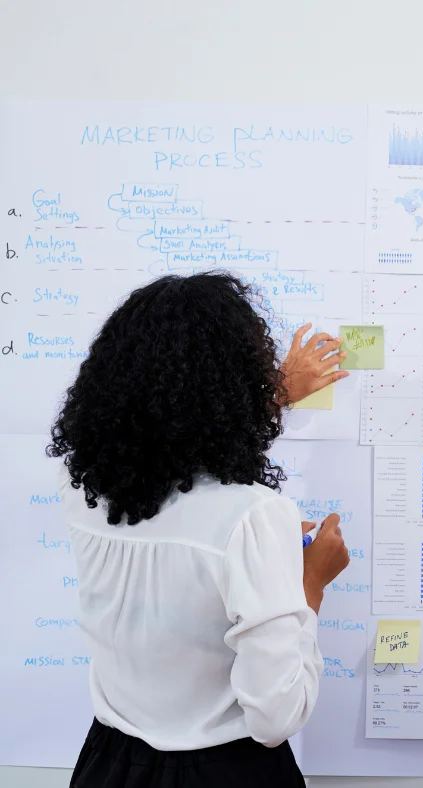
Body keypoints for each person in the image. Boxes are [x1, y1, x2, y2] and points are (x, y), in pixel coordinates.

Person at [49, 272, 352, 788]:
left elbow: (166, 438)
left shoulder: (84, 486)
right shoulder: (253, 516)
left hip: (108, 763)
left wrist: (271, 396)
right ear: (237, 382)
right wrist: (310, 586)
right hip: (225, 771)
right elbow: (276, 718)